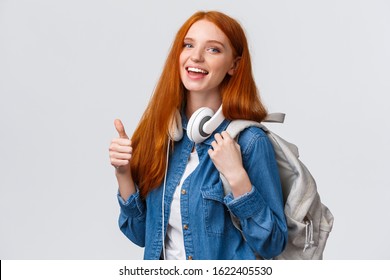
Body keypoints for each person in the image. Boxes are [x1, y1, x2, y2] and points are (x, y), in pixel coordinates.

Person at [109, 10, 288, 260]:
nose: (195, 56)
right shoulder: (165, 135)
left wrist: (237, 177)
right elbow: (140, 235)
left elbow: (272, 243)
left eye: (213, 49)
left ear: (234, 65)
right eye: (189, 45)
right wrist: (124, 174)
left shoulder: (249, 142)